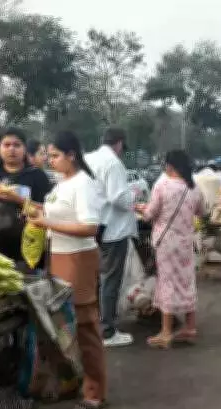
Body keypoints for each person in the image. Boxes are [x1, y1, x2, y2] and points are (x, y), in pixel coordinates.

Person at [26, 130, 108, 409]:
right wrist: (31, 208)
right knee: (63, 326)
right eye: (48, 155)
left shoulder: (83, 184)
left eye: (55, 155)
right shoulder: (64, 182)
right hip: (58, 256)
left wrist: (46, 223)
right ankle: (72, 380)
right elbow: (57, 214)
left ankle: (95, 391)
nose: (50, 160)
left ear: (71, 155)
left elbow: (89, 227)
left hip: (78, 258)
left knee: (84, 326)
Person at [135, 150, 204, 349]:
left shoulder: (162, 185)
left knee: (167, 283)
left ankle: (166, 332)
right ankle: (190, 327)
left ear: (170, 166)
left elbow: (149, 214)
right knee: (187, 281)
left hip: (166, 244)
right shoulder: (194, 188)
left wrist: (141, 208)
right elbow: (202, 211)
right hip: (185, 243)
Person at [0, 128, 52, 270]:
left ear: (24, 149)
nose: (12, 149)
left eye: (17, 145)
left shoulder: (37, 176)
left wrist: (18, 199)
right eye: (7, 145)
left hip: (26, 249)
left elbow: (47, 211)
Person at [84, 127, 137, 347]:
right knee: (110, 280)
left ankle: (94, 324)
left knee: (96, 278)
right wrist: (136, 192)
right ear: (119, 144)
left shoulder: (88, 158)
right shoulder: (113, 163)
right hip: (113, 230)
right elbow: (119, 199)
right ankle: (107, 331)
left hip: (93, 225)